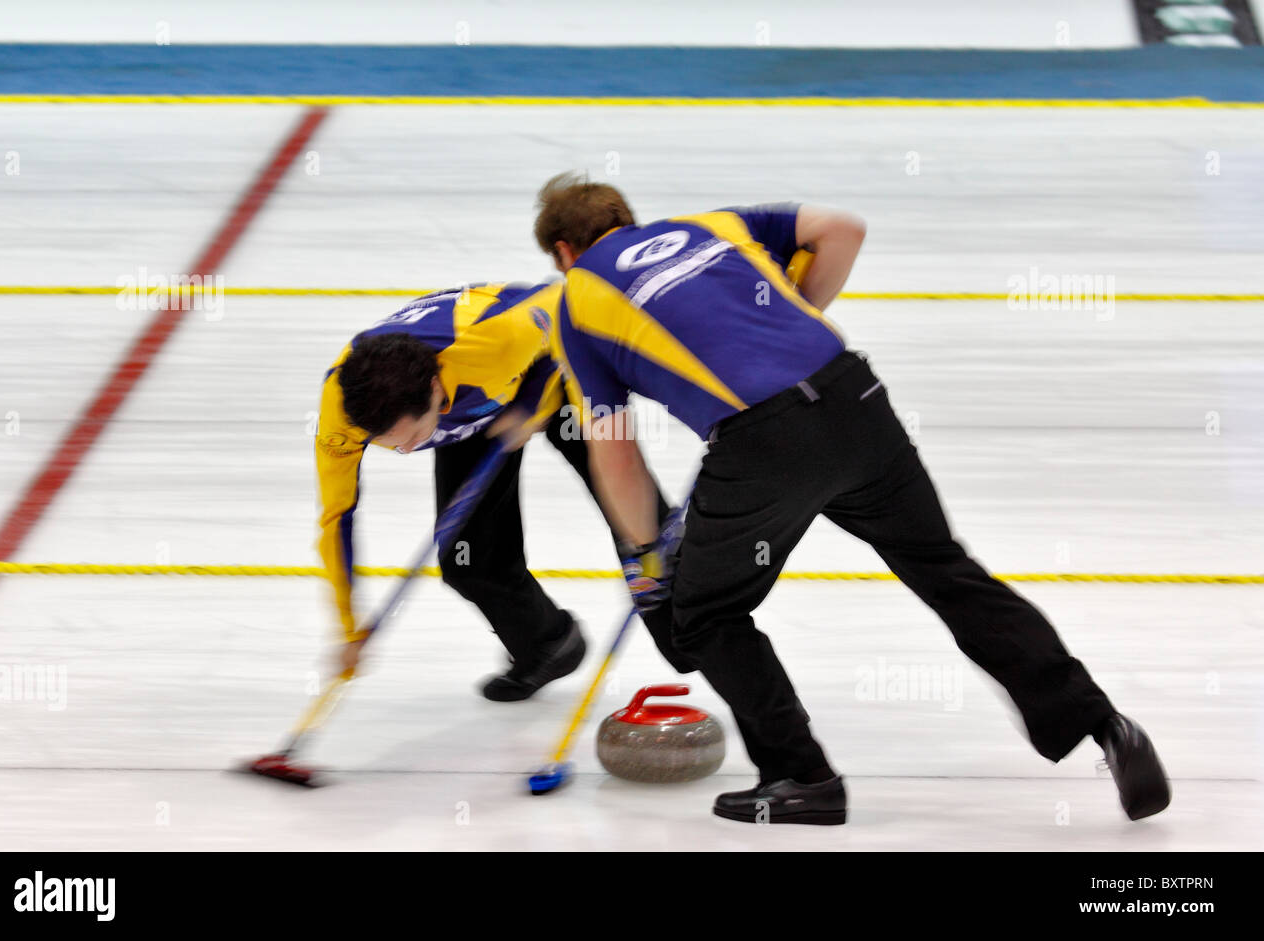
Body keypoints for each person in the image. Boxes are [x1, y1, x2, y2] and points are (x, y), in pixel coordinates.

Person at [534, 173, 1170, 825]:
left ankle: (799, 775)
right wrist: (799, 319)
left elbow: (613, 449)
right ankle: (1104, 723)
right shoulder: (711, 226)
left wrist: (646, 554)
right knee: (947, 572)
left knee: (703, 614)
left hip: (765, 444)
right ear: (627, 219)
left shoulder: (575, 302)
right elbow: (843, 228)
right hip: (853, 398)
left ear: (563, 251)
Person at [316, 280, 689, 702]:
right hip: (475, 408)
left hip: (555, 365)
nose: (405, 452)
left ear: (435, 391)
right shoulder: (341, 414)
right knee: (468, 562)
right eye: (392, 445)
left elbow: (567, 305)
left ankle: (697, 622)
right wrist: (349, 627)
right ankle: (548, 644)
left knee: (639, 523)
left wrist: (531, 404)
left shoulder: (493, 338)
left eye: (413, 437)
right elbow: (336, 518)